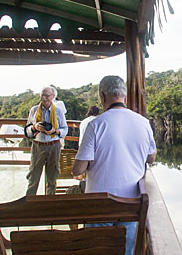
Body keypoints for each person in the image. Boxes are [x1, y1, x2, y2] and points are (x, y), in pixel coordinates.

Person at [72, 76, 156, 255]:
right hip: (130, 205)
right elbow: (151, 157)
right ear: (124, 95)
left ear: (102, 96)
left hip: (99, 206)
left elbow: (77, 170)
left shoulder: (95, 125)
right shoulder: (143, 123)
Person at [26, 86, 68, 195]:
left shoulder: (58, 111)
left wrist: (55, 131)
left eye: (47, 96)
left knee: (52, 178)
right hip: (37, 145)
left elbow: (65, 129)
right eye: (42, 95)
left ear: (53, 96)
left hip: (54, 145)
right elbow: (27, 129)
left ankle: (50, 203)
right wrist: (34, 127)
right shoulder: (34, 110)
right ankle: (29, 204)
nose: (44, 98)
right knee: (33, 177)